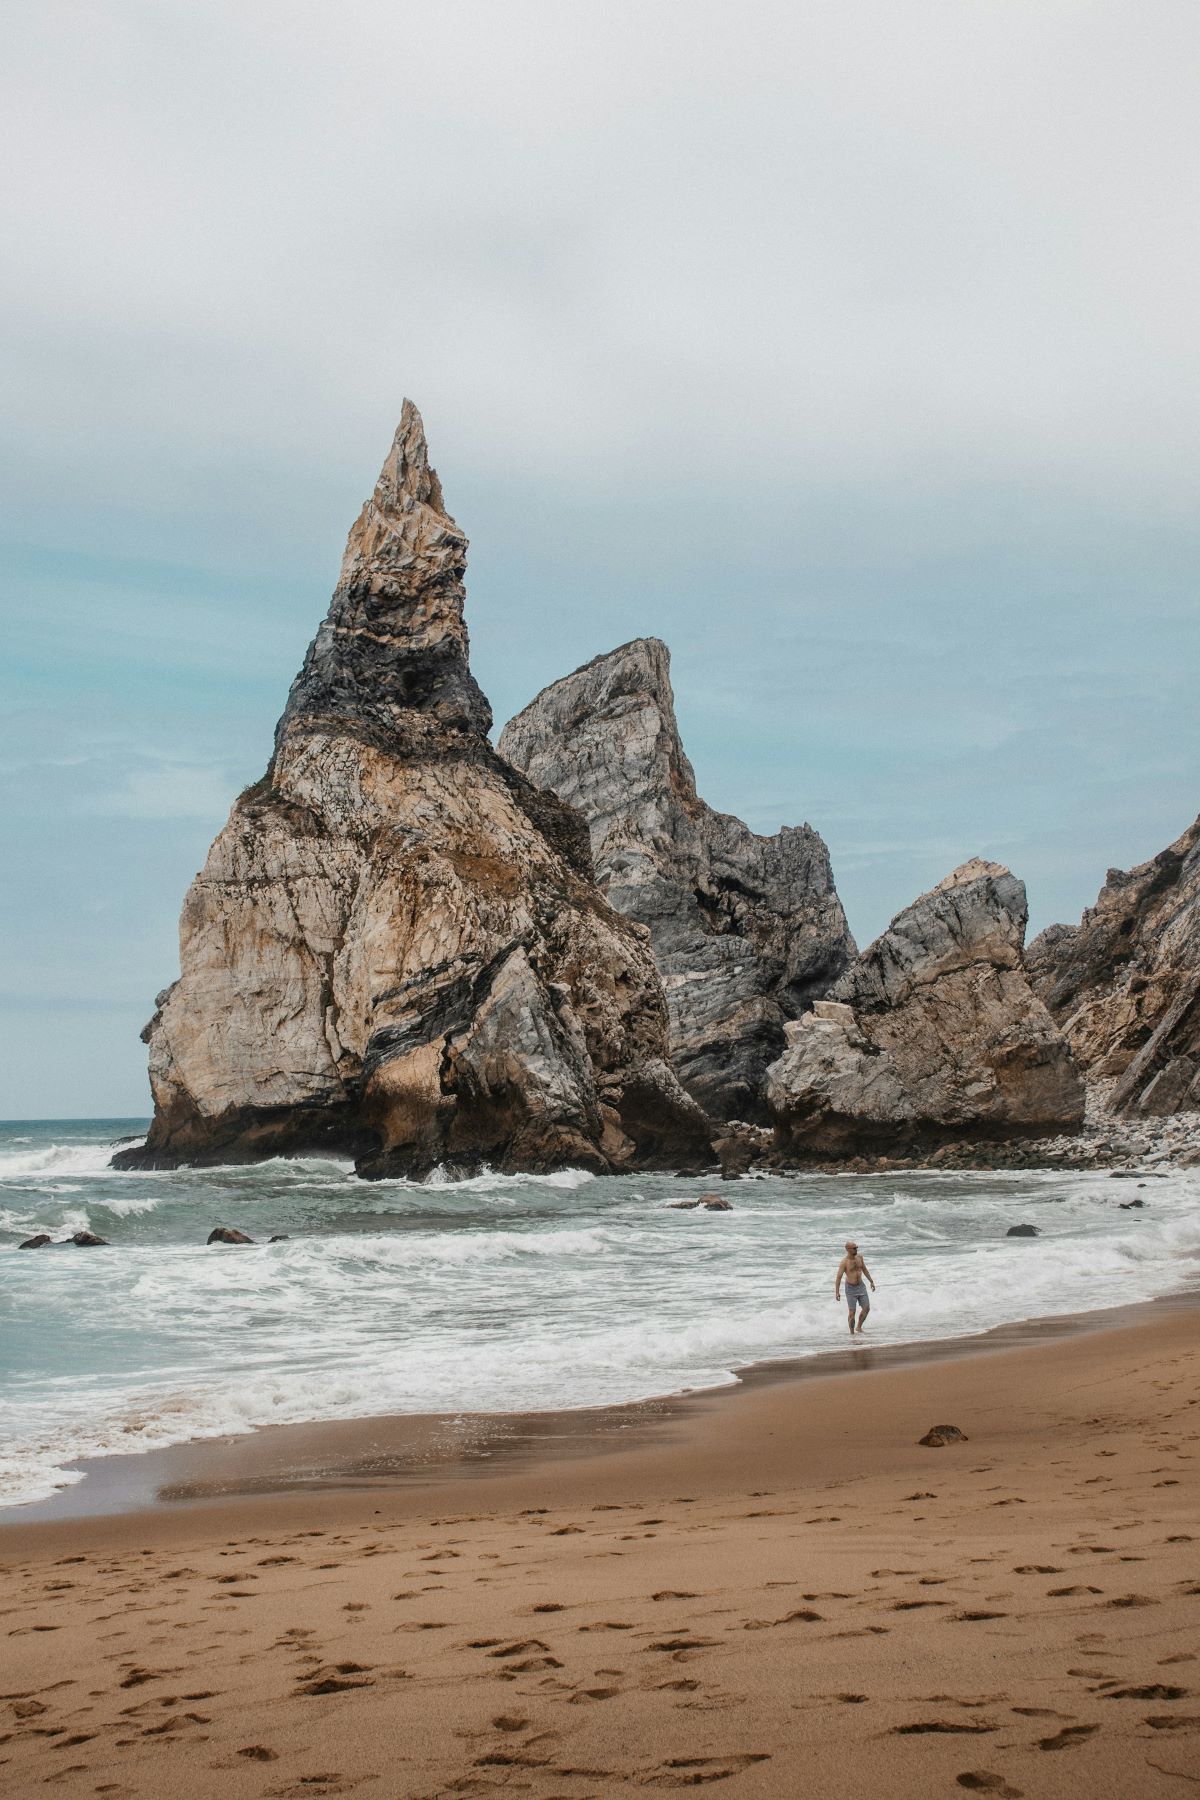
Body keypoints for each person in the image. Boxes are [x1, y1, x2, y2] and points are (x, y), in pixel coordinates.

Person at [834, 1240, 875, 1335]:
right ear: (848, 1249)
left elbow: (864, 1269)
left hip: (861, 1286)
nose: (856, 1249)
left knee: (866, 1308)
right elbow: (838, 1277)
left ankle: (859, 1327)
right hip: (850, 1289)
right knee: (852, 1313)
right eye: (854, 1248)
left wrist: (871, 1281)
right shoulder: (844, 1262)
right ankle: (852, 1334)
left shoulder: (859, 1257)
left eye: (857, 1247)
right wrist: (837, 1292)